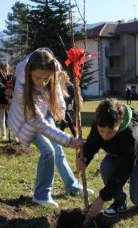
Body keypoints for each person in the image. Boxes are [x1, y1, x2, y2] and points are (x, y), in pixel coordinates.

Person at [8, 48, 93, 208]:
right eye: (37, 78)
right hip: (26, 122)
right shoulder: (21, 89)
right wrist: (69, 140)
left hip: (43, 114)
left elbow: (58, 94)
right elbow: (38, 123)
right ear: (28, 73)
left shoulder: (51, 72)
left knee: (58, 152)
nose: (42, 82)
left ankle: (72, 186)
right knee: (49, 152)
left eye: (46, 79)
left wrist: (70, 103)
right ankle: (41, 196)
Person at [77, 98, 138, 220]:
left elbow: (124, 170)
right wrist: (83, 158)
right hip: (118, 155)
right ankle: (120, 202)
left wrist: (102, 198)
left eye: (110, 132)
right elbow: (91, 144)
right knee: (106, 167)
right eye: (102, 131)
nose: (105, 136)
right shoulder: (99, 122)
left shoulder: (131, 134)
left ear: (121, 123)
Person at [59, 71, 76, 137]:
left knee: (67, 119)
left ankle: (74, 133)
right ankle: (61, 133)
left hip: (67, 105)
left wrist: (70, 104)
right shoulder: (61, 85)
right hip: (63, 105)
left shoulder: (70, 86)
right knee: (65, 121)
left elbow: (72, 96)